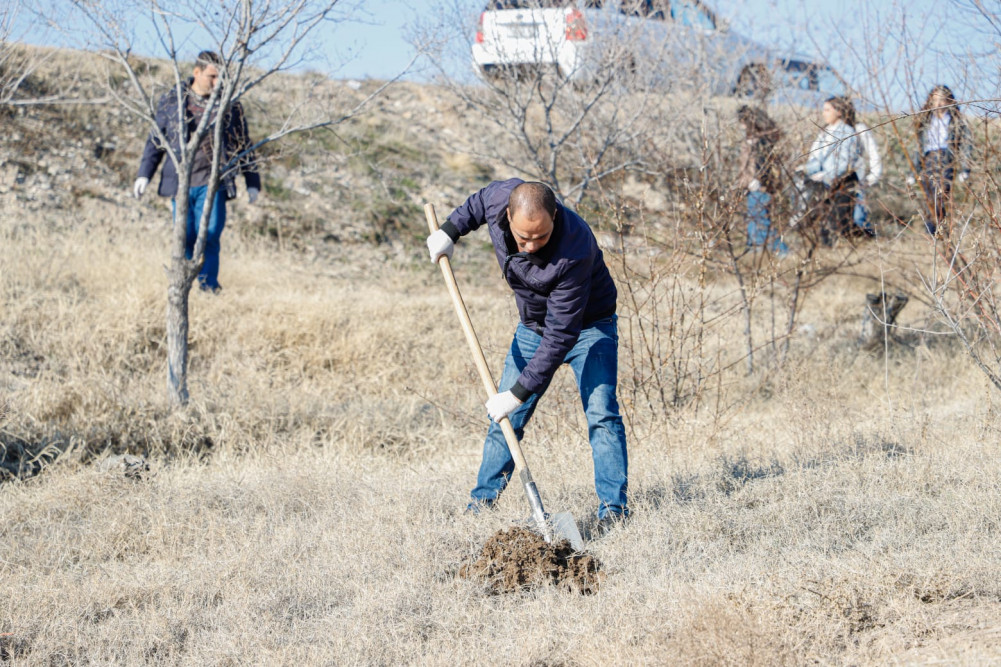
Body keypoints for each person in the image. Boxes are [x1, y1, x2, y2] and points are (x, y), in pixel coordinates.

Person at [426, 179, 629, 530]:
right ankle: (480, 505)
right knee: (505, 422)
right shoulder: (498, 199)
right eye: (523, 238)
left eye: (541, 237)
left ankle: (613, 512)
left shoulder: (575, 246)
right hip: (533, 327)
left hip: (589, 327)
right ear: (507, 215)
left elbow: (561, 334)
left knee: (602, 415)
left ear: (555, 215)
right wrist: (449, 231)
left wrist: (517, 393)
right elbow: (474, 205)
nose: (532, 245)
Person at [133, 51, 261, 293]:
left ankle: (208, 287)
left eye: (221, 77)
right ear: (197, 73)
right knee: (185, 237)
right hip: (180, 183)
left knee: (210, 235)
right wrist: (144, 175)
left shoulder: (230, 106)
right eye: (212, 76)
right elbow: (155, 141)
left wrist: (252, 181)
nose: (218, 83)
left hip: (214, 183)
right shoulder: (173, 101)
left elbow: (244, 144)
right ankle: (185, 288)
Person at [907, 85, 973, 235]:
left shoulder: (957, 120)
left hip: (946, 159)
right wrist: (912, 171)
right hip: (928, 159)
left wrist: (965, 168)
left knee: (940, 196)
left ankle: (940, 232)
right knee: (928, 197)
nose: (938, 104)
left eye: (942, 100)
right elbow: (916, 147)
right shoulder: (925, 120)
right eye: (935, 100)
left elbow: (966, 145)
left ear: (949, 101)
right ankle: (931, 231)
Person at [804, 96, 860, 246]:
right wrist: (810, 171)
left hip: (841, 183)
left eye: (828, 110)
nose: (824, 113)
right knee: (823, 223)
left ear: (839, 112)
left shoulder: (848, 133)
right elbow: (814, 157)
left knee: (838, 223)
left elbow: (845, 162)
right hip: (821, 182)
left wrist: (827, 176)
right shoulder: (823, 133)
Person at [736, 105, 789, 256]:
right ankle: (755, 251)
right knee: (754, 221)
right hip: (751, 186)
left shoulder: (763, 140)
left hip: (760, 187)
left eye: (743, 122)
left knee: (761, 222)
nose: (741, 125)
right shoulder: (753, 140)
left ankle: (782, 251)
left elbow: (763, 164)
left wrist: (758, 180)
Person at [845, 101, 880, 237]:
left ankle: (867, 238)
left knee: (858, 216)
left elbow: (872, 152)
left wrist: (873, 175)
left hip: (858, 178)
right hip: (836, 178)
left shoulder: (859, 128)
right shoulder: (830, 130)